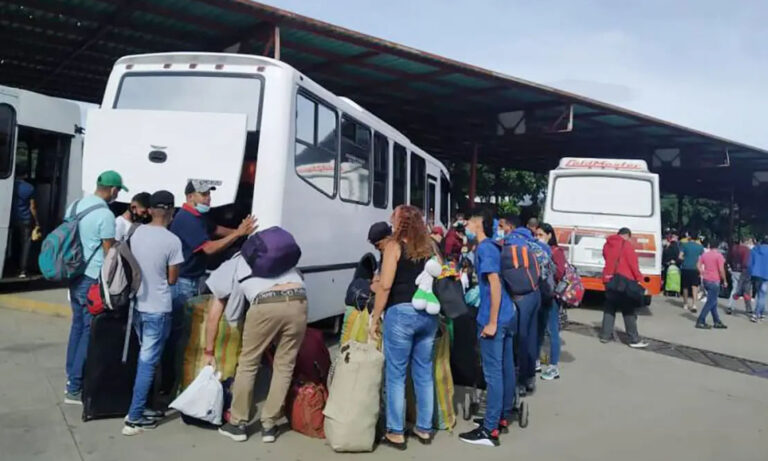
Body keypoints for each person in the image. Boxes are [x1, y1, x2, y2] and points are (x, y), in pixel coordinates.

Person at [165, 180, 257, 395]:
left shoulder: (198, 217)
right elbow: (208, 248)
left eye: (209, 194)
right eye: (203, 194)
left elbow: (215, 229)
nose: (208, 198)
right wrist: (238, 234)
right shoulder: (187, 220)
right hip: (184, 282)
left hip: (193, 279)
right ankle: (174, 382)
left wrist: (239, 231)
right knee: (182, 333)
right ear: (190, 197)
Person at [209, 247, 307, 444]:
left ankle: (238, 424)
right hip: (298, 299)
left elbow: (215, 312)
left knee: (248, 363)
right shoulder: (283, 258)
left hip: (265, 304)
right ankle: (269, 425)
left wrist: (208, 350)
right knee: (284, 365)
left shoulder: (235, 263)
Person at [369, 205, 438, 449]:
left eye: (393, 217)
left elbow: (386, 285)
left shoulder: (393, 246)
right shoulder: (429, 247)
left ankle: (396, 432)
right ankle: (424, 428)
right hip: (428, 316)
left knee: (396, 375)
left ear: (400, 223)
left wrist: (375, 318)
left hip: (401, 313)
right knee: (423, 372)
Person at [122, 191, 184, 435]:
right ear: (170, 211)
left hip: (137, 306)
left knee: (146, 359)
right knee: (148, 363)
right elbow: (172, 279)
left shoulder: (135, 232)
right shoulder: (172, 241)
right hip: (159, 309)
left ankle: (144, 407)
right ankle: (134, 417)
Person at [64, 170, 125, 404]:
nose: (117, 195)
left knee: (77, 326)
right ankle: (75, 386)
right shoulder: (105, 215)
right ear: (112, 190)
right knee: (89, 330)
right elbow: (108, 251)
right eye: (118, 191)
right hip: (91, 278)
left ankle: (71, 377)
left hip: (74, 273)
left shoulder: (75, 205)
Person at [459, 210, 516, 447]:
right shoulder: (491, 246)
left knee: (493, 373)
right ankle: (499, 416)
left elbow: (494, 284)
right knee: (504, 369)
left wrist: (491, 322)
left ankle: (489, 430)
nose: (466, 226)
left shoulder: (485, 249)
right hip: (507, 315)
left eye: (469, 222)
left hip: (496, 317)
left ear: (479, 225)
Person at [502, 215, 543, 393]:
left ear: (510, 227)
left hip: (521, 296)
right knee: (531, 336)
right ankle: (529, 377)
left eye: (503, 226)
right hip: (536, 293)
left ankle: (518, 380)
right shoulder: (535, 243)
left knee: (520, 338)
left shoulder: (508, 242)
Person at [599, 228, 648, 348]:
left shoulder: (607, 244)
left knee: (610, 307)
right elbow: (633, 264)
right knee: (628, 309)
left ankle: (605, 335)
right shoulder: (626, 245)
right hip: (624, 280)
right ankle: (633, 339)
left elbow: (606, 258)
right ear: (627, 235)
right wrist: (640, 280)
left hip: (609, 279)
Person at [536, 223, 565, 381]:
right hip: (539, 294)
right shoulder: (536, 249)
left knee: (552, 330)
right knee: (539, 329)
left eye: (541, 235)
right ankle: (536, 361)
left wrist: (547, 266)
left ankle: (553, 366)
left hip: (551, 295)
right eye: (536, 235)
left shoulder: (556, 251)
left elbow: (560, 272)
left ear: (549, 235)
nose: (538, 238)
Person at [10, 173, 39, 278]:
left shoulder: (11, 185)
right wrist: (36, 221)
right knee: (25, 245)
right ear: (25, 175)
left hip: (12, 218)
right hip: (25, 219)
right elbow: (32, 207)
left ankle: (13, 265)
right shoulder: (29, 188)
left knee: (14, 243)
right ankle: (22, 270)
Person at [695, 240, 727, 330]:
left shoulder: (705, 255)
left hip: (706, 279)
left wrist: (702, 271)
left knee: (713, 301)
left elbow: (698, 264)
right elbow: (721, 269)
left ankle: (716, 320)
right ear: (718, 247)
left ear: (709, 246)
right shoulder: (719, 256)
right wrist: (724, 280)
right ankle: (701, 320)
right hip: (714, 280)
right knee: (711, 302)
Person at [680, 231, 705, 313]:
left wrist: (686, 259)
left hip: (685, 267)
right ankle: (694, 304)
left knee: (685, 287)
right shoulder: (700, 247)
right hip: (695, 268)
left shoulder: (684, 245)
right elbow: (702, 258)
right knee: (694, 287)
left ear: (689, 237)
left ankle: (685, 304)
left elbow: (680, 256)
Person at [726, 237, 752, 315]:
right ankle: (748, 308)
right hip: (743, 271)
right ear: (746, 242)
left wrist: (730, 267)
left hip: (734, 270)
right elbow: (745, 262)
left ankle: (730, 306)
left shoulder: (733, 248)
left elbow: (728, 259)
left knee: (735, 288)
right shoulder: (747, 250)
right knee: (746, 290)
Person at [748, 236, 768, 323]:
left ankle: (759, 312)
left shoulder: (754, 249)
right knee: (762, 295)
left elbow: (749, 263)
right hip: (766, 275)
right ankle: (758, 313)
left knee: (758, 294)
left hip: (756, 274)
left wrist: (750, 272)